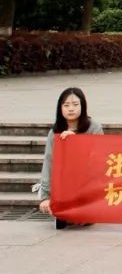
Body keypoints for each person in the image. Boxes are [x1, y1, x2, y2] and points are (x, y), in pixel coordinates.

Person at [37, 87, 104, 229]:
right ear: (60, 108)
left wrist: (76, 143)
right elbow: (49, 162)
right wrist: (45, 196)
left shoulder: (94, 128)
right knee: (64, 215)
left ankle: (85, 212)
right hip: (64, 184)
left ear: (83, 106)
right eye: (66, 105)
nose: (71, 109)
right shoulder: (54, 132)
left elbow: (98, 160)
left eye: (75, 104)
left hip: (87, 183)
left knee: (84, 217)